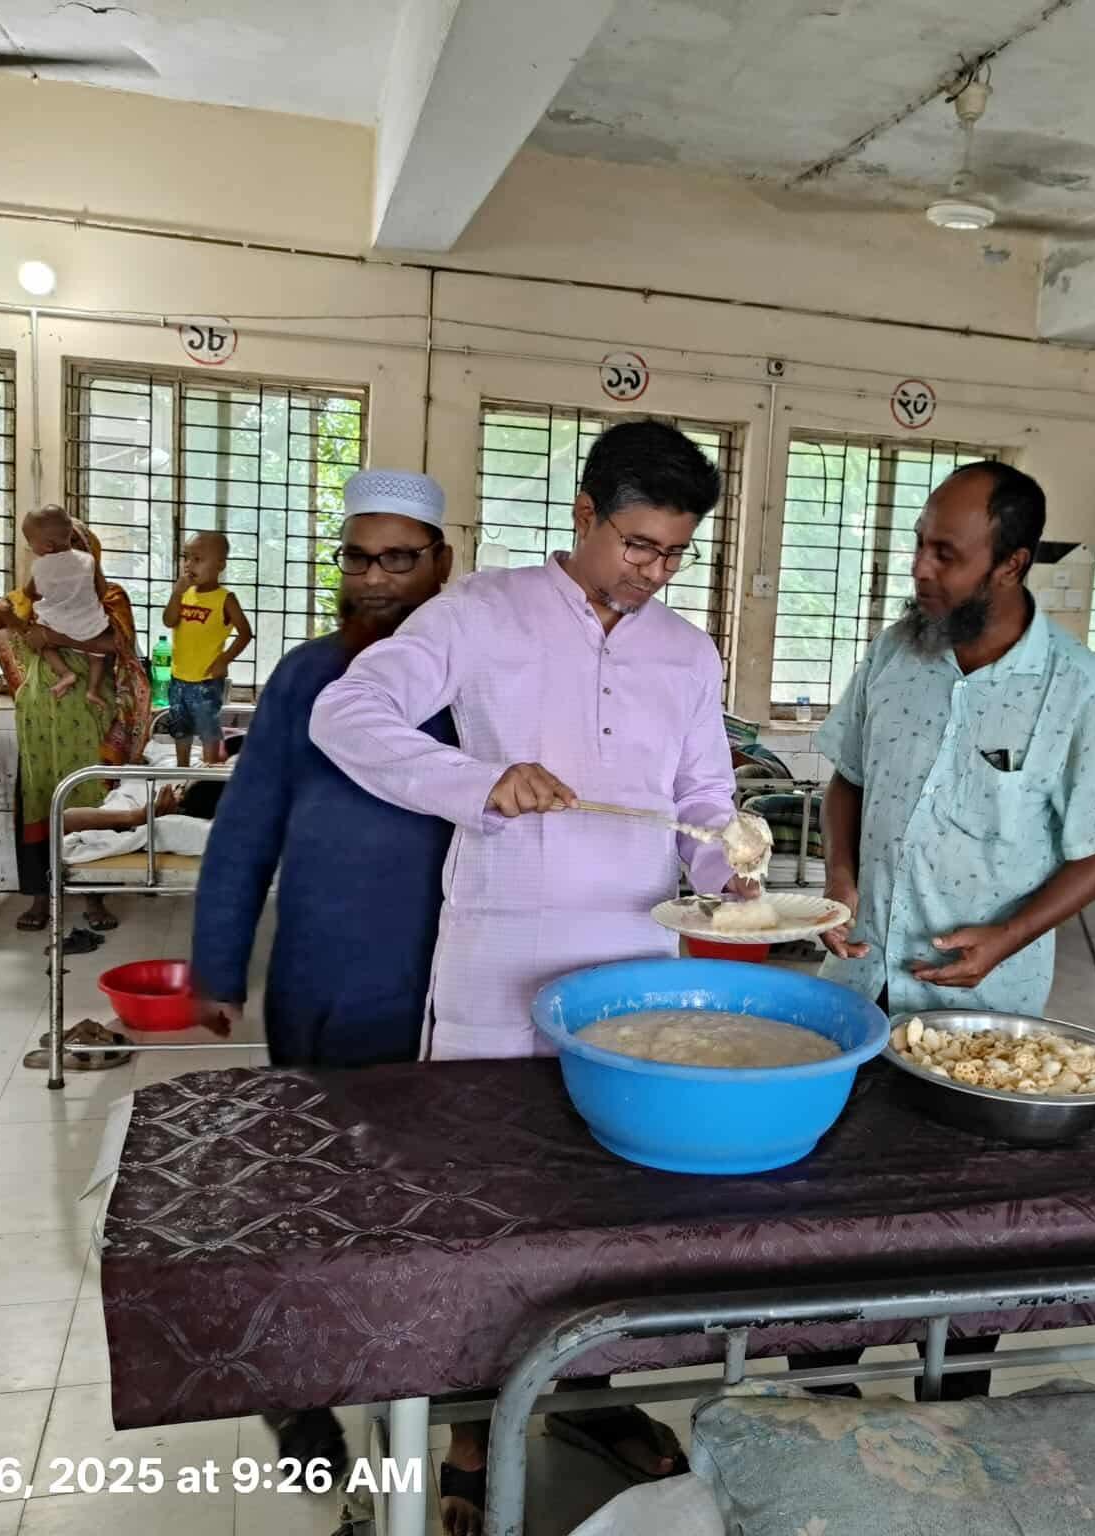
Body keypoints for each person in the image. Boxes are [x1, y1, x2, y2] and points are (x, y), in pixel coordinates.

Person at [311, 421, 743, 1532]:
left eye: (673, 555)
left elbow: (699, 797)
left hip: (636, 958)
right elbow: (343, 713)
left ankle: (586, 1394)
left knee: (611, 1191)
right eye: (638, 545)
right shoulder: (480, 615)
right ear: (584, 515)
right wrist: (476, 781)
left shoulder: (686, 653)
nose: (652, 573)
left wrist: (726, 866)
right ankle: (468, 1428)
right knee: (486, 1194)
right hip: (498, 955)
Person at [810, 460, 1095, 1397]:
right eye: (921, 545)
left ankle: (953, 1422)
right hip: (861, 994)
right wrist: (841, 878)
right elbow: (846, 774)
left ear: (1012, 563)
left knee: (965, 1245)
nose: (921, 569)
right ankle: (821, 1409)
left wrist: (1005, 936)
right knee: (835, 1236)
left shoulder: (1073, 690)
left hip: (981, 1030)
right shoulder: (897, 652)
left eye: (946, 555)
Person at [188, 470, 457, 1477]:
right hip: (321, 974)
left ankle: (427, 1389)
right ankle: (299, 1396)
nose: (375, 579)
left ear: (441, 564)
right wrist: (218, 963)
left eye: (399, 557)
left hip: (444, 982)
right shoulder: (306, 676)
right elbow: (247, 823)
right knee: (307, 1193)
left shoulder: (483, 683)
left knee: (423, 1205)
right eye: (358, 556)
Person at [0, 513, 152, 935]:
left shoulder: (109, 596)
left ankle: (94, 892)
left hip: (90, 716)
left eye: (71, 546)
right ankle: (42, 895)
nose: (62, 553)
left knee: (91, 795)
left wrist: (58, 639)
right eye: (54, 546)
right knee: (39, 797)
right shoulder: (30, 598)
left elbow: (116, 645)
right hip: (41, 719)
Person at [160, 530, 251, 766]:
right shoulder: (184, 593)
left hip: (207, 679)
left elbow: (245, 634)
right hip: (179, 676)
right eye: (186, 557)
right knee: (180, 727)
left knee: (207, 726)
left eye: (198, 559)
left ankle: (208, 770)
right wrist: (176, 594)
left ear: (220, 564)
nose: (189, 564)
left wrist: (225, 659)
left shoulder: (225, 599)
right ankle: (182, 769)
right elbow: (169, 621)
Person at [21, 505, 120, 707]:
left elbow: (116, 644)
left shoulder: (116, 599)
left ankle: (77, 681)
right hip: (44, 698)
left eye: (76, 540)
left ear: (90, 543)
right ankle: (80, 683)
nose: (71, 548)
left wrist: (53, 637)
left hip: (94, 707)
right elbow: (27, 639)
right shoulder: (87, 563)